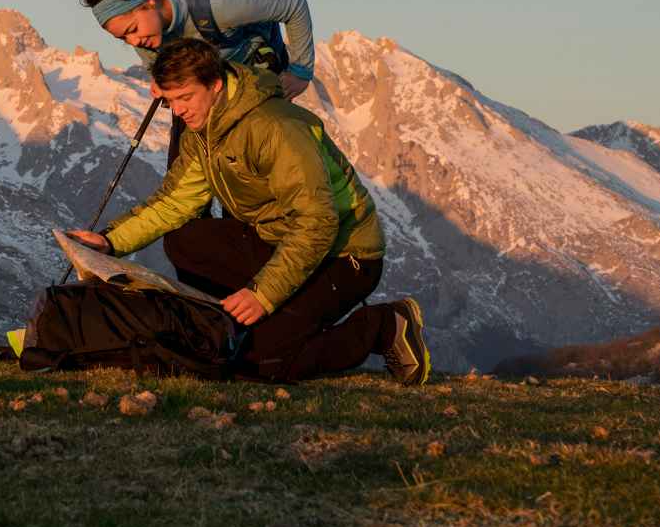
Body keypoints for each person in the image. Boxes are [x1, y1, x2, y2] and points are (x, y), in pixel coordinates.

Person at [65, 39, 429, 384]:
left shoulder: (275, 128)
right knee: (185, 239)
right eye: (171, 101)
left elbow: (317, 224)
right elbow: (175, 203)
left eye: (186, 98)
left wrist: (263, 294)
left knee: (262, 363)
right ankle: (259, 324)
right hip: (276, 242)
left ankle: (384, 325)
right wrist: (109, 241)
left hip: (344, 256)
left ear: (217, 84)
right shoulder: (204, 131)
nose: (178, 111)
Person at [77, 0, 314, 100]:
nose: (133, 41)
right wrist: (161, 83)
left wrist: (301, 71)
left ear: (148, 3)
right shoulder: (147, 36)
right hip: (209, 90)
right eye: (122, 38)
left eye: (132, 30)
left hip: (254, 74)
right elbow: (157, 68)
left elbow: (294, 4)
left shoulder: (217, 2)